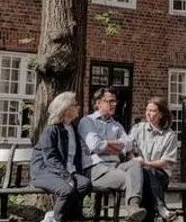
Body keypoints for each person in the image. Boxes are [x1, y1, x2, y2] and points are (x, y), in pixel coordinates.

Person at [80, 88, 146, 222]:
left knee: (135, 165)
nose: (113, 104)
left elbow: (128, 146)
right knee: (128, 178)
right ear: (98, 103)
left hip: (115, 165)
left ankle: (133, 206)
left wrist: (107, 145)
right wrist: (117, 145)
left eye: (114, 101)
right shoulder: (87, 122)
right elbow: (96, 146)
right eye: (109, 101)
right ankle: (133, 211)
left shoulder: (116, 125)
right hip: (96, 169)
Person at [30, 92, 92, 222]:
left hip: (67, 171)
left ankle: (56, 216)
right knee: (66, 190)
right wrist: (67, 177)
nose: (78, 107)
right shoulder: (51, 130)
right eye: (75, 105)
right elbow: (50, 158)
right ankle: (57, 219)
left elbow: (75, 156)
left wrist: (75, 173)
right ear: (66, 108)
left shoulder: (72, 128)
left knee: (85, 184)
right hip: (45, 172)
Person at [130, 97, 181, 222]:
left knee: (148, 172)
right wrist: (134, 159)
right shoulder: (137, 129)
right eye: (147, 110)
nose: (148, 113)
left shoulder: (170, 135)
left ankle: (151, 211)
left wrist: (145, 163)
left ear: (161, 114)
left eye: (152, 111)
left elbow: (165, 162)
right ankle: (161, 208)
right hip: (139, 173)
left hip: (160, 175)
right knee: (145, 177)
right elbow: (128, 149)